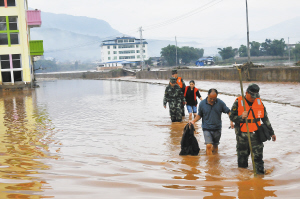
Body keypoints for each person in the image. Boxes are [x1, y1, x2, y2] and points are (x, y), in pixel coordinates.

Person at [229, 83, 276, 175]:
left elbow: (265, 118)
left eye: (256, 96)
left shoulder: (259, 102)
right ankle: (243, 179)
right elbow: (232, 117)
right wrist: (241, 117)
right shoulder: (238, 101)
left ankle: (259, 178)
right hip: (242, 135)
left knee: (258, 157)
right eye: (252, 96)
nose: (254, 98)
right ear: (246, 93)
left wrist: (271, 132)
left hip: (256, 134)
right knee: (242, 158)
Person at [190, 89, 234, 155]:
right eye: (211, 98)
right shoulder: (202, 104)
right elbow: (199, 115)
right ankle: (209, 163)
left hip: (217, 128)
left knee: (215, 145)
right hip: (206, 128)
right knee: (208, 146)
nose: (212, 100)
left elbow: (229, 112)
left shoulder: (220, 103)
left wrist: (231, 121)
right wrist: (193, 121)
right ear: (207, 95)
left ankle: (215, 161)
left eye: (214, 99)